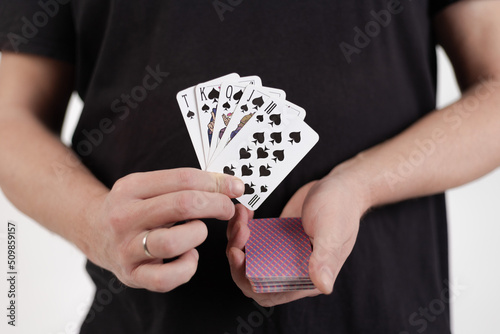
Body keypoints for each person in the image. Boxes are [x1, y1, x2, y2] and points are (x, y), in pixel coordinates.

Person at [0, 0, 499, 333]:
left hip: (384, 312)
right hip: (141, 317)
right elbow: (9, 117)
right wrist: (93, 222)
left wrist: (359, 185)